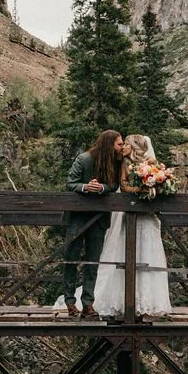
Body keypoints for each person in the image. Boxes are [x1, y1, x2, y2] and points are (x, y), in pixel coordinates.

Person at [94, 134, 172, 318]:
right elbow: (123, 185)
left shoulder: (152, 162)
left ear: (134, 146)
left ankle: (148, 301)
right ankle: (125, 300)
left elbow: (161, 186)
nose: (123, 148)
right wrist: (139, 189)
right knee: (126, 253)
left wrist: (154, 186)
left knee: (148, 252)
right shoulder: (125, 164)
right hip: (129, 215)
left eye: (126, 145)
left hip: (146, 217)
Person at [62, 130, 125, 318]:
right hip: (77, 217)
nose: (121, 147)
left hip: (99, 219)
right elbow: (70, 183)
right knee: (71, 259)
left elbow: (114, 186)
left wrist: (102, 188)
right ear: (109, 144)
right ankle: (70, 302)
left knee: (93, 262)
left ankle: (88, 303)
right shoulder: (84, 159)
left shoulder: (115, 162)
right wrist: (85, 187)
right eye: (119, 144)